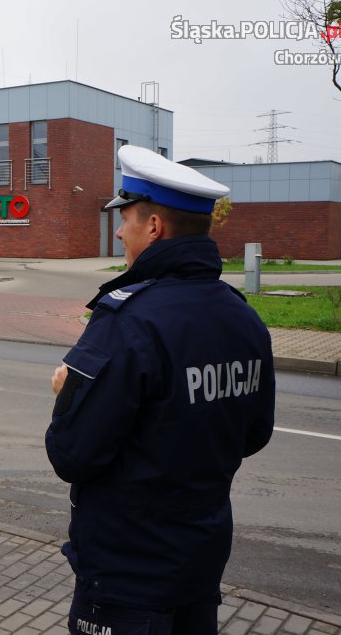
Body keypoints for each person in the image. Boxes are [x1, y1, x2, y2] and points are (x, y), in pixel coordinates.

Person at [45, 145, 276, 635]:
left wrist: (68, 393)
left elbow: (72, 455)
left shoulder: (128, 320)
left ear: (153, 227)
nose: (119, 232)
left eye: (125, 219)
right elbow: (254, 433)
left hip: (127, 573)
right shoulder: (242, 317)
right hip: (200, 562)